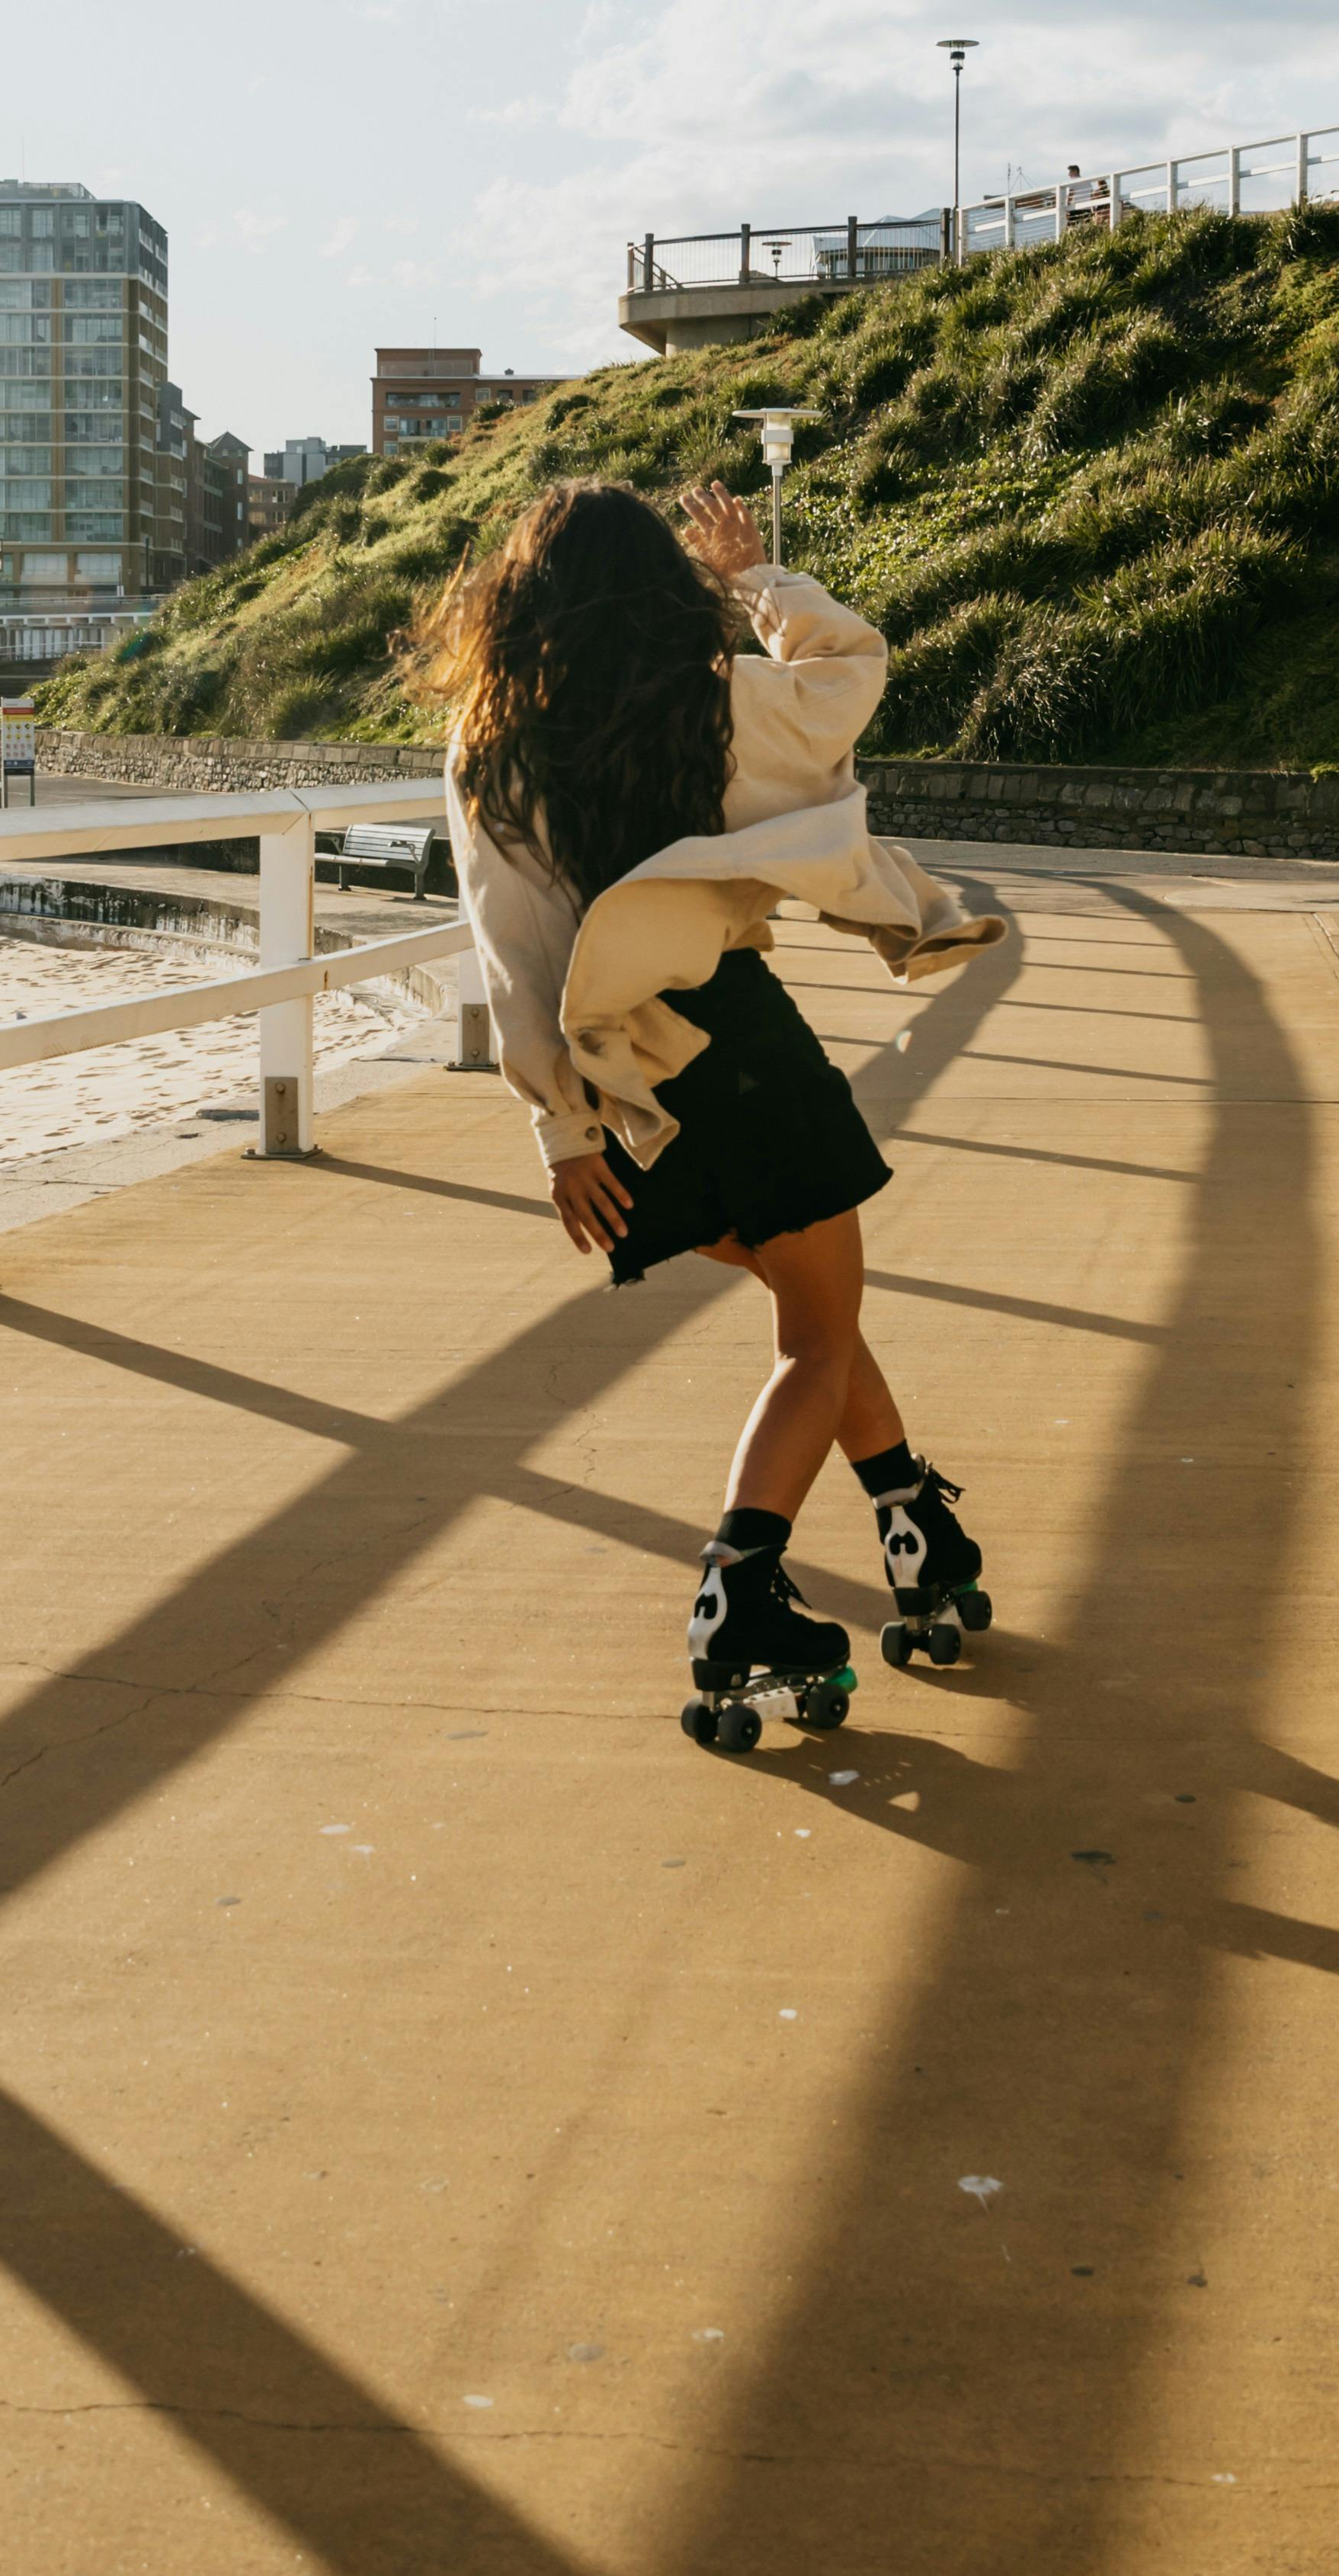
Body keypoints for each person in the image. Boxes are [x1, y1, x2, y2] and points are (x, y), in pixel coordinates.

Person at [420, 479, 1010, 1736]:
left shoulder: (489, 748)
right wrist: (755, 578)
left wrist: (561, 1130)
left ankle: (916, 1526)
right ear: (658, 587)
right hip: (740, 1051)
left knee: (820, 1311)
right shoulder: (713, 700)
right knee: (818, 1331)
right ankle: (739, 1591)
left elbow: (509, 952)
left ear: (521, 602)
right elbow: (851, 670)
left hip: (636, 1093)